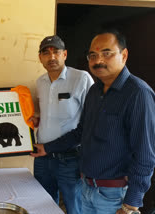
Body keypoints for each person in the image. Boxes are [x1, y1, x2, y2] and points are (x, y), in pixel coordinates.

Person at [31, 28, 155, 214]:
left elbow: (145, 155)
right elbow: (81, 131)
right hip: (87, 187)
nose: (98, 60)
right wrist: (46, 147)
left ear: (124, 55)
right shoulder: (95, 92)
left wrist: (131, 204)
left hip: (114, 195)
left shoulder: (138, 94)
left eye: (106, 53)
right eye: (93, 55)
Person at [29, 35, 94, 214]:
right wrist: (38, 120)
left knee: (75, 207)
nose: (51, 57)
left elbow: (91, 120)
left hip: (70, 158)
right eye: (46, 53)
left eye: (56, 52)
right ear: (40, 57)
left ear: (64, 54)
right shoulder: (40, 82)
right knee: (43, 206)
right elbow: (50, 114)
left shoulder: (81, 78)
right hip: (42, 157)